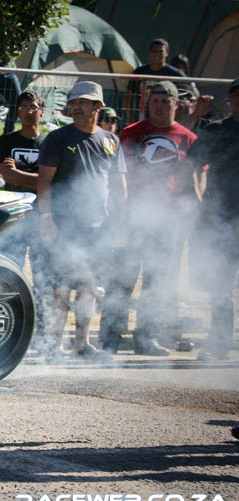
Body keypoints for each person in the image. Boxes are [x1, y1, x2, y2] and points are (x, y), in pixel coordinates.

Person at [100, 81, 203, 356]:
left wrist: (189, 208)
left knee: (157, 281)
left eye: (166, 101)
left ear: (176, 104)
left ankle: (147, 339)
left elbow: (196, 177)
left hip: (167, 220)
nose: (160, 106)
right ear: (148, 103)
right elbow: (115, 173)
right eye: (156, 101)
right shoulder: (132, 133)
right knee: (122, 278)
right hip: (132, 216)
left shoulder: (188, 138)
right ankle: (109, 338)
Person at [37, 81, 127, 360]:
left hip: (98, 228)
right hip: (64, 226)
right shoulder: (58, 138)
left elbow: (119, 186)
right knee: (59, 288)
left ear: (97, 107)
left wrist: (119, 223)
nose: (76, 107)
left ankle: (82, 345)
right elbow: (44, 181)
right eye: (74, 102)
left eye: (83, 103)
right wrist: (47, 218)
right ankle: (54, 345)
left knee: (88, 287)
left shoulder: (111, 141)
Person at [186, 76, 239, 361]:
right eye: (237, 95)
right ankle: (218, 345)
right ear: (230, 99)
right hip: (224, 219)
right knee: (222, 287)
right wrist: (199, 200)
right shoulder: (216, 130)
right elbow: (194, 166)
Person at [0, 90, 46, 268]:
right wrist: (41, 179)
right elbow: (7, 176)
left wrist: (19, 175)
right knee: (10, 267)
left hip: (42, 213)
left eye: (33, 107)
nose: (27, 111)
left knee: (41, 269)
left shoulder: (49, 143)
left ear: (42, 111)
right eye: (23, 107)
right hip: (14, 212)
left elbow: (51, 182)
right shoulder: (6, 141)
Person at [124, 38, 185, 124]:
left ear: (167, 53)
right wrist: (130, 116)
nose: (157, 54)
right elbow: (129, 96)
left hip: (166, 120)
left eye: (160, 51)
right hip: (142, 118)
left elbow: (190, 89)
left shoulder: (175, 73)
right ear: (150, 53)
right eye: (154, 51)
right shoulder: (140, 72)